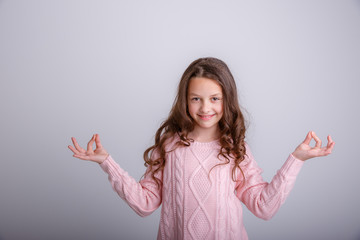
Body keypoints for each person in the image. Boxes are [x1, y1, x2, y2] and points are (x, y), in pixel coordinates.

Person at [68, 57, 335, 240]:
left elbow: (264, 207)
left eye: (214, 99)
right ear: (185, 101)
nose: (205, 108)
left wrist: (296, 159)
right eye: (196, 99)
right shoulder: (169, 147)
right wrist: (107, 163)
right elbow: (144, 204)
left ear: (226, 100)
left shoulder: (235, 149)